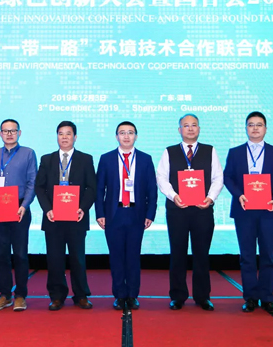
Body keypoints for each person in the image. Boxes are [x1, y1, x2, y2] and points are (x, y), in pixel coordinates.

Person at [156, 114, 224, 311]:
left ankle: (203, 296)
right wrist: (174, 196)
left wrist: (210, 198)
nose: (190, 128)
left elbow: (218, 177)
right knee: (178, 253)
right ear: (179, 130)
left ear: (199, 129)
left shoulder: (210, 150)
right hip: (177, 210)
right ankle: (177, 296)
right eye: (186, 126)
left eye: (194, 125)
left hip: (202, 211)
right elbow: (161, 177)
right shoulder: (169, 151)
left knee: (201, 254)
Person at [223, 111, 273, 314]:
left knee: (268, 255)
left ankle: (267, 298)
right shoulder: (235, 152)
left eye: (259, 125)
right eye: (251, 125)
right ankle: (250, 297)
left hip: (268, 210)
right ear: (246, 128)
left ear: (265, 129)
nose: (255, 128)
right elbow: (227, 177)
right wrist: (239, 195)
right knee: (247, 256)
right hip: (244, 210)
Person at [95, 121, 158, 310]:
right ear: (116, 137)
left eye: (130, 132)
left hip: (136, 214)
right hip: (113, 214)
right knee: (116, 257)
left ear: (136, 136)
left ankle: (132, 295)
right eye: (122, 132)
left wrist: (150, 213)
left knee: (133, 256)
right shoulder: (106, 159)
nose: (126, 136)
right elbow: (99, 189)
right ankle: (119, 295)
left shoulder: (145, 159)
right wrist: (100, 213)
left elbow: (152, 190)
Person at [35, 121, 97, 311]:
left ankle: (81, 295)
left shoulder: (85, 159)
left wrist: (83, 208)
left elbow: (92, 188)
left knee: (78, 258)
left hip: (76, 217)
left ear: (75, 137)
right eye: (60, 133)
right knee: (55, 259)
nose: (64, 137)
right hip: (53, 218)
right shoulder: (47, 159)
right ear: (57, 137)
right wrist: (47, 209)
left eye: (68, 134)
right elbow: (39, 187)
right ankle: (56, 296)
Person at [0, 119, 37, 311]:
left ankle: (21, 295)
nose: (9, 134)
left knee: (20, 254)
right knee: (1, 254)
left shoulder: (28, 153)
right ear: (0, 134)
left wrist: (24, 205)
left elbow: (32, 182)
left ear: (19, 133)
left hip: (19, 209)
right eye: (5, 131)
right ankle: (5, 295)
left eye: (13, 130)